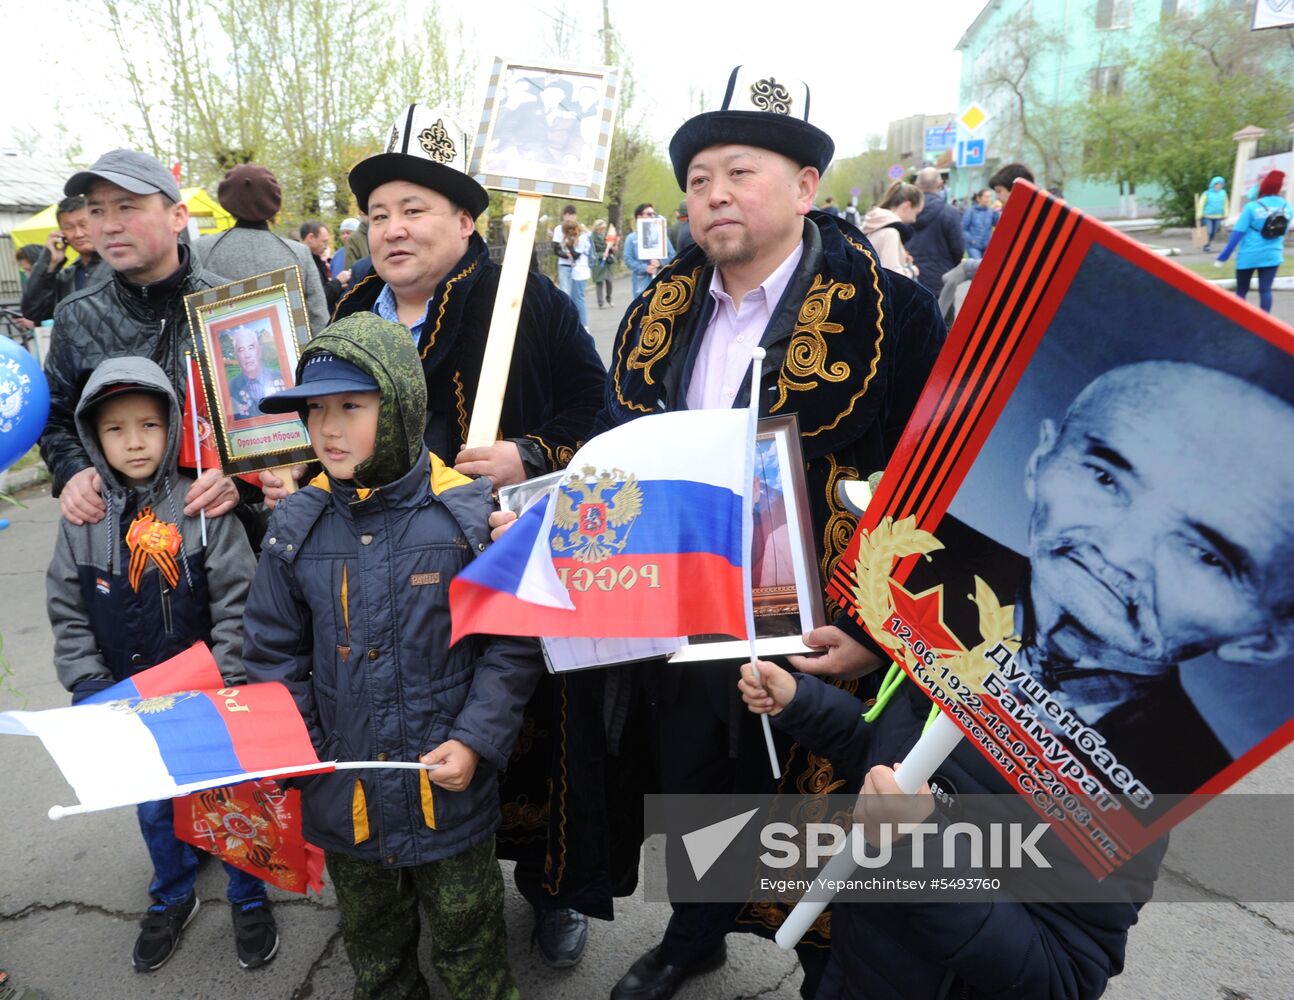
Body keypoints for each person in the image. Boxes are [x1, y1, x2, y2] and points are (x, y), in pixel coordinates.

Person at [596, 66, 946, 1000]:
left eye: (740, 172)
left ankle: (828, 967)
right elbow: (618, 453)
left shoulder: (892, 311)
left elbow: (935, 486)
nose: (715, 193)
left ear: (804, 188)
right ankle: (695, 934)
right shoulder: (659, 314)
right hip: (688, 614)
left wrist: (880, 636)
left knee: (822, 804)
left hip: (829, 624)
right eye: (700, 176)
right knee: (700, 782)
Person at [268, 104, 619, 970]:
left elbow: (599, 415)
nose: (393, 228)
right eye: (379, 212)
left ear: (465, 220)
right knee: (392, 725)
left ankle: (544, 891)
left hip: (493, 554)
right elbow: (317, 425)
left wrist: (530, 453)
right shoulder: (352, 303)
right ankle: (401, 879)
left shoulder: (523, 301)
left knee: (526, 731)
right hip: (373, 572)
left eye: (415, 209)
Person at [245, 313, 542, 1000]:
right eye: (316, 410)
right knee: (374, 952)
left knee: (471, 943)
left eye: (352, 406)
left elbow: (510, 643)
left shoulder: (465, 517)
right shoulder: (295, 526)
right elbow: (269, 652)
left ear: (402, 402)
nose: (328, 428)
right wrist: (309, 757)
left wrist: (475, 740)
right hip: (343, 799)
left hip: (449, 798)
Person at [906, 361, 1294, 795]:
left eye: (1205, 554)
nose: (1121, 552)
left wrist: (907, 842)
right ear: (1040, 461)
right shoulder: (913, 567)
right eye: (1106, 478)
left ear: (1262, 640)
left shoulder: (1168, 786)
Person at [737, 646, 1164, 999]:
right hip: (853, 964)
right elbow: (893, 762)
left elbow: (1063, 978)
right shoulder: (957, 655)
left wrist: (918, 847)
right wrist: (804, 703)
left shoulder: (1121, 777)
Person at [45, 357, 275, 973]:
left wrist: (226, 679)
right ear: (94, 436)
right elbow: (67, 612)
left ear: (172, 426)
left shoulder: (202, 507)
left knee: (229, 799)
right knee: (154, 807)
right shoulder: (83, 522)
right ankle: (171, 894)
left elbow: (237, 601)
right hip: (130, 702)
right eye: (116, 429)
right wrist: (91, 683)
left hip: (206, 700)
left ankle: (248, 896)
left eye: (149, 424)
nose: (135, 440)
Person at [40, 149, 243, 529]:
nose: (109, 225)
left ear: (177, 217)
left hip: (223, 537)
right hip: (117, 537)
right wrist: (74, 471)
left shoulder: (234, 308)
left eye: (127, 207)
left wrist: (242, 484)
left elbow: (269, 422)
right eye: (97, 210)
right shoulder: (76, 315)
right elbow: (55, 418)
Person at [195, 164, 330, 334]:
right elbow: (318, 320)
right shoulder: (299, 253)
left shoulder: (202, 249)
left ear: (227, 200)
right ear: (273, 201)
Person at [939, 163, 1035, 323]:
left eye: (999, 192)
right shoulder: (1024, 215)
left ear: (1018, 189)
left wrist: (968, 266)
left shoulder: (1023, 219)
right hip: (976, 245)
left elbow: (1009, 264)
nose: (997, 197)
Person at [19, 194, 108, 324]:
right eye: (69, 227)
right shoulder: (67, 276)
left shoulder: (123, 267)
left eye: (84, 224)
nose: (78, 234)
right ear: (62, 233)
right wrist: (49, 262)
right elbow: (33, 311)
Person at [1216, 169, 1290, 314]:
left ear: (1264, 187)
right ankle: (1265, 323)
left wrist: (1224, 256)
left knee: (1242, 291)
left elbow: (1238, 233)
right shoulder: (1287, 207)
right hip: (1272, 255)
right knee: (1265, 290)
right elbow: (1283, 232)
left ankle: (1239, 321)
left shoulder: (1252, 207)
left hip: (1248, 255)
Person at [906, 166, 964, 298]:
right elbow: (958, 249)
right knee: (943, 317)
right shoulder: (950, 212)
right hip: (942, 278)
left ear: (916, 184)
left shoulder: (905, 211)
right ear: (941, 184)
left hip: (910, 276)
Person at [861, 181, 922, 279]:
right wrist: (913, 270)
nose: (915, 220)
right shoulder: (891, 232)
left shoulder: (875, 225)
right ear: (907, 206)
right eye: (916, 212)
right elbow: (892, 275)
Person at [227, 325, 286, 419]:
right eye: (241, 350)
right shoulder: (230, 388)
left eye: (251, 348)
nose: (247, 355)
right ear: (236, 356)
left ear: (259, 351)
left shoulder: (282, 377)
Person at [622, 203, 675, 298]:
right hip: (641, 283)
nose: (653, 216)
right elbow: (628, 259)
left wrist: (660, 262)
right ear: (639, 217)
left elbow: (672, 255)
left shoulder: (662, 236)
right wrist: (645, 268)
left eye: (654, 214)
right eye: (649, 214)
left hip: (661, 281)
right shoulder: (632, 238)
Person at [300, 219, 351, 314]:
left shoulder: (315, 259)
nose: (326, 246)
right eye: (324, 241)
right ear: (311, 238)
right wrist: (338, 282)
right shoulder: (302, 263)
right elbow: (318, 297)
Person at [563, 217, 592, 326]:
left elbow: (576, 255)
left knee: (579, 299)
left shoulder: (582, 238)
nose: (569, 232)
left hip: (581, 272)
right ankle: (580, 324)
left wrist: (569, 246)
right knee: (576, 298)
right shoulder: (579, 237)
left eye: (570, 229)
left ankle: (584, 325)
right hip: (578, 271)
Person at [961, 188, 998, 259]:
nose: (988, 199)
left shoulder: (990, 211)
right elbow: (963, 229)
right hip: (973, 246)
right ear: (979, 198)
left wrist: (996, 211)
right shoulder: (970, 211)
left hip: (987, 246)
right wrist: (971, 240)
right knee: (977, 266)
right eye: (986, 197)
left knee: (986, 267)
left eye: (989, 197)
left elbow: (996, 224)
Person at [552, 204, 579, 296]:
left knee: (576, 294)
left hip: (577, 265)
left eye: (573, 217)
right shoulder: (558, 229)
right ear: (565, 216)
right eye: (569, 217)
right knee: (565, 292)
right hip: (564, 265)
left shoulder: (578, 228)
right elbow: (556, 249)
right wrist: (566, 255)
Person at [1198, 175, 1228, 252]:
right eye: (1218, 184)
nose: (1219, 186)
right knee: (1209, 231)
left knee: (1214, 233)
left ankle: (1208, 244)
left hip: (1218, 216)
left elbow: (1225, 204)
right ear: (1213, 184)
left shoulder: (1223, 193)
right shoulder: (1207, 193)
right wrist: (1199, 214)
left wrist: (1225, 214)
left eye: (1221, 184)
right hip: (1207, 216)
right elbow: (1201, 204)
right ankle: (1205, 245)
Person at [590, 219, 616, 308]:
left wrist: (612, 249)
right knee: (599, 282)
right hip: (598, 263)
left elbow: (609, 247)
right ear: (596, 228)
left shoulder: (606, 235)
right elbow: (591, 252)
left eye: (604, 228)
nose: (602, 230)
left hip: (607, 263)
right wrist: (602, 255)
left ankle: (609, 299)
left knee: (609, 281)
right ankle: (600, 303)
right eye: (601, 228)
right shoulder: (592, 237)